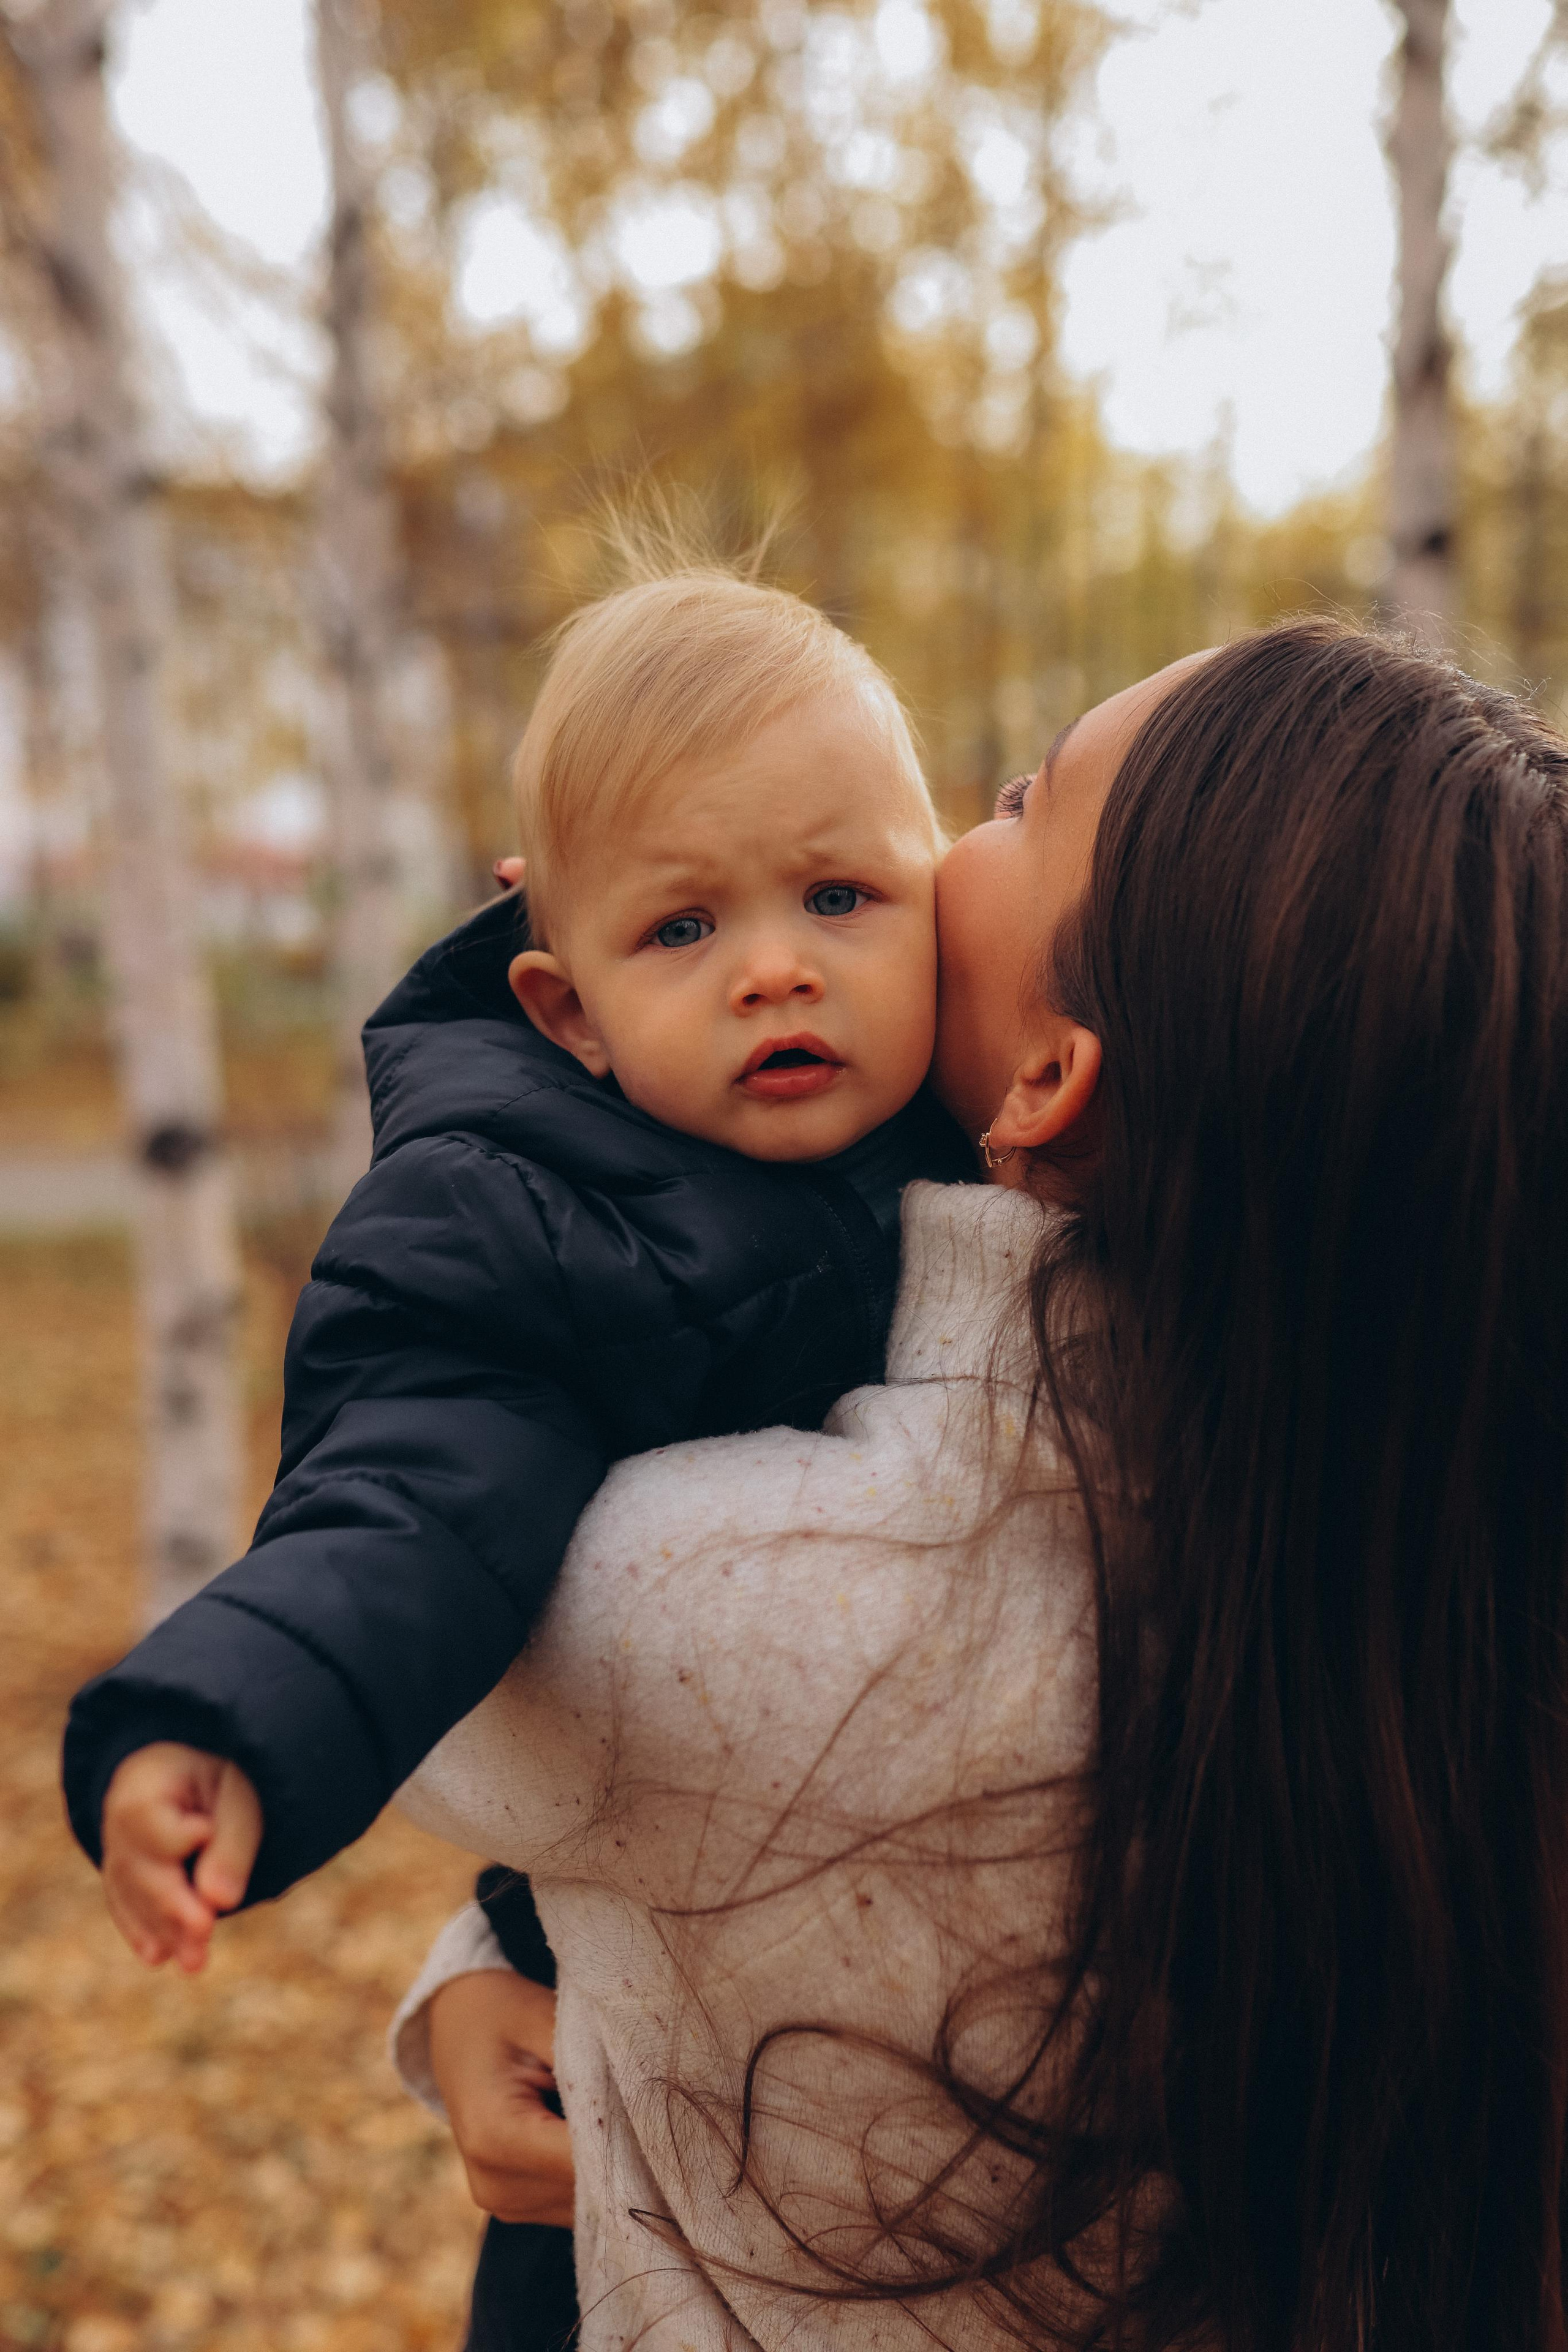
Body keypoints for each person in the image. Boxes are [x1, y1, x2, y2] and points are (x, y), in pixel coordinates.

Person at [392, 618, 1568, 2351]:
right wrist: (513, 1968)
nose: (949, 838)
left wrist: (583, 978)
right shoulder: (1439, 1558)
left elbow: (422, 1668)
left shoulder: (737, 1586)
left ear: (1049, 1073)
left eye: (1026, 801)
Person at [60, 560, 974, 1966]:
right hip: (639, 1973)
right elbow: (412, 1500)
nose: (773, 969)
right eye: (681, 928)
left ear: (945, 901)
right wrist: (240, 1708)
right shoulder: (524, 1222)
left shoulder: (1004, 1124)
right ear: (570, 1012)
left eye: (839, 895)